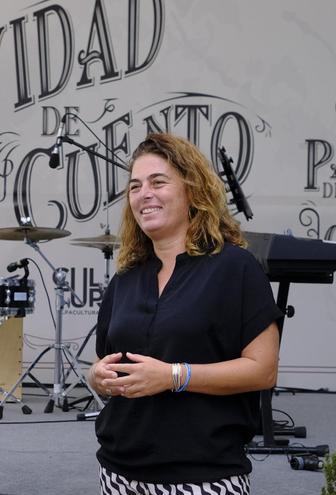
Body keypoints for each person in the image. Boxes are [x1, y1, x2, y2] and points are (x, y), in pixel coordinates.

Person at [88, 133, 282, 494]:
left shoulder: (234, 268)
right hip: (118, 471)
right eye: (135, 186)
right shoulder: (126, 277)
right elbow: (103, 361)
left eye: (158, 182)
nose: (144, 193)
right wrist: (96, 376)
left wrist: (174, 376)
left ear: (192, 191)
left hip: (202, 475)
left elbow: (263, 370)